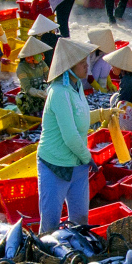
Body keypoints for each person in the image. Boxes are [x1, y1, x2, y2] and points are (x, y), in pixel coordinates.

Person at [36, 37, 94, 234]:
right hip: (55, 165)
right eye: (81, 63)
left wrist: (103, 114)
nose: (87, 66)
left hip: (77, 165)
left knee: (80, 223)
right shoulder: (59, 92)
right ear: (69, 67)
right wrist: (89, 158)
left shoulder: (76, 86)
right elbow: (70, 136)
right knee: (50, 227)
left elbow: (78, 118)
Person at [15, 37, 50, 117]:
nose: (40, 56)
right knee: (20, 98)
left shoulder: (41, 63)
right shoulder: (22, 68)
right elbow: (27, 88)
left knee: (46, 86)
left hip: (42, 95)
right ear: (29, 57)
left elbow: (49, 77)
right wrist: (39, 93)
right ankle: (28, 116)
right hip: (30, 97)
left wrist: (48, 91)